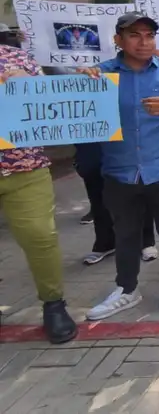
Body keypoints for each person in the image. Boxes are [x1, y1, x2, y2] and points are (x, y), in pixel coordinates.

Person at [82, 12, 159, 321]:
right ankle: (126, 289)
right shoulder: (100, 75)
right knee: (125, 234)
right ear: (118, 40)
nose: (144, 42)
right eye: (135, 35)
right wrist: (81, 80)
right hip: (119, 169)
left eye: (149, 35)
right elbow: (77, 108)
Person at [0, 44, 77, 344]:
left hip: (25, 168)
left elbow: (48, 100)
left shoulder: (16, 56)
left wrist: (82, 81)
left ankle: (53, 303)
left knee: (40, 235)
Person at [76, 143, 157, 265]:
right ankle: (106, 242)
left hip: (124, 138)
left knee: (136, 186)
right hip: (90, 140)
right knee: (97, 192)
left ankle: (145, 241)